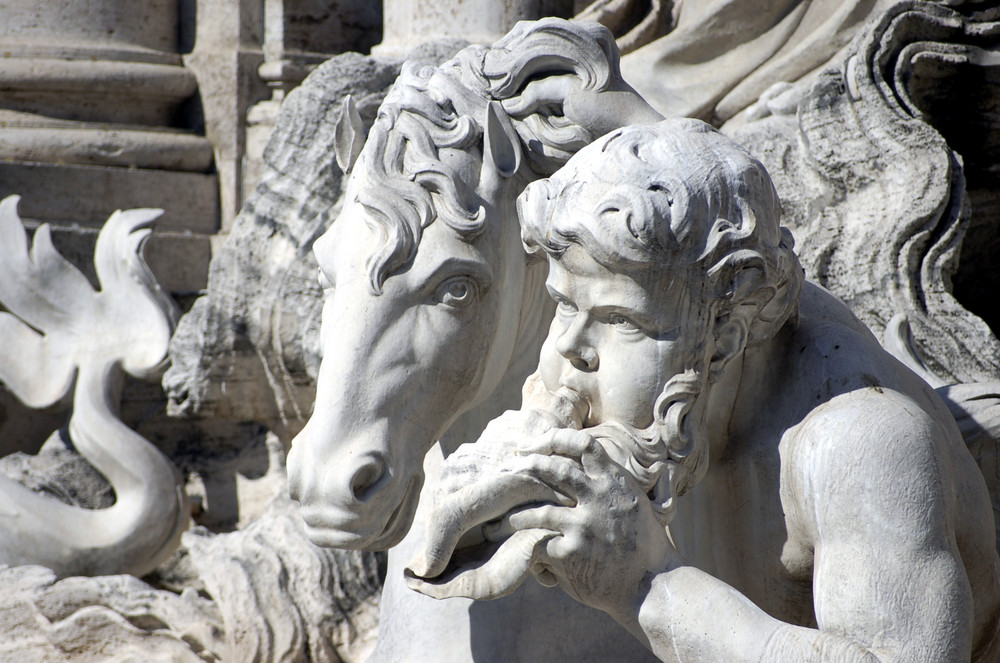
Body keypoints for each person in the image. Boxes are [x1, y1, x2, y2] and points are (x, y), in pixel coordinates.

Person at [407, 118, 1000, 661]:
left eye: (621, 320)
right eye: (564, 305)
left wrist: (646, 583)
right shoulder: (659, 412)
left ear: (724, 337)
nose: (571, 348)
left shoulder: (860, 443)